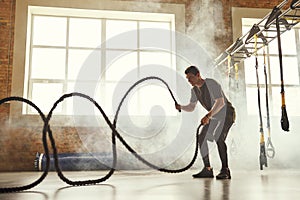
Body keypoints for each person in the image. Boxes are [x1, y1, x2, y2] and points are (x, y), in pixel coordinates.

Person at [175, 66, 235, 179]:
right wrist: (181, 107)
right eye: (188, 79)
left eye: (191, 77)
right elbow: (191, 107)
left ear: (198, 75)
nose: (189, 81)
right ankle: (207, 169)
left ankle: (225, 170)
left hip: (227, 114)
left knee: (218, 137)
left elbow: (220, 102)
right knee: (201, 137)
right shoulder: (194, 91)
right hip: (215, 116)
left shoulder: (211, 83)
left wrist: (208, 115)